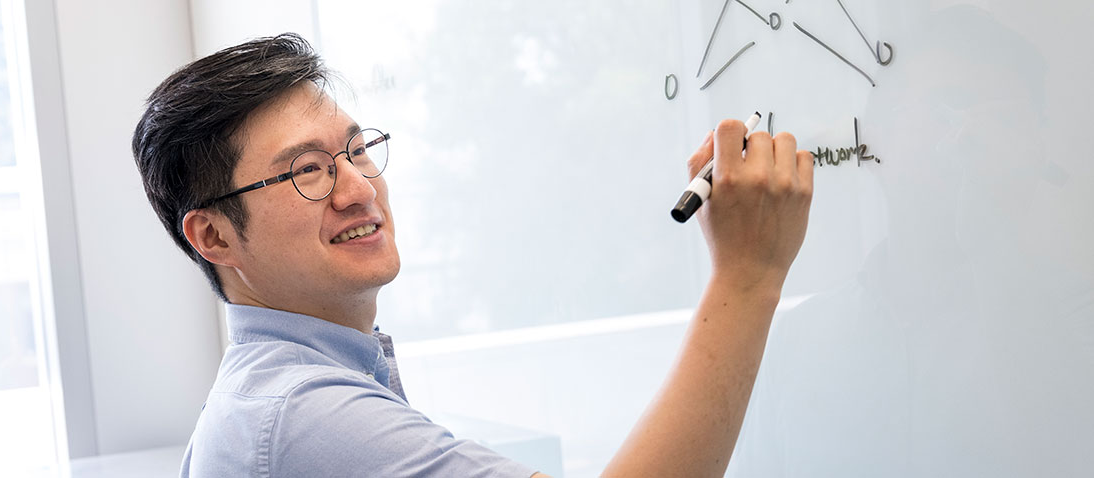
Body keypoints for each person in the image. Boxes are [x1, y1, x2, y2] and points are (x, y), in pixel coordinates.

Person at [132, 33, 813, 478]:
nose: (357, 186)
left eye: (356, 150)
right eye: (307, 170)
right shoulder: (300, 417)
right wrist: (748, 276)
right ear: (214, 237)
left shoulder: (283, 393)